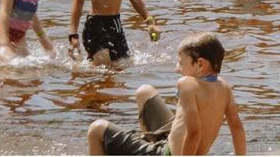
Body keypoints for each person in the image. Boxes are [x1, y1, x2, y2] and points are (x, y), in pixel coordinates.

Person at [87, 33, 246, 155]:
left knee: (96, 129)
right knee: (144, 92)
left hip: (169, 153)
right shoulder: (224, 86)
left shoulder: (187, 84)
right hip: (174, 141)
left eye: (181, 63)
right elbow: (237, 127)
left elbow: (194, 133)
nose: (177, 69)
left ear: (200, 64)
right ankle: (148, 143)